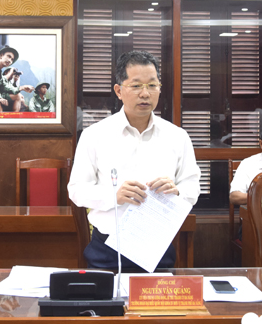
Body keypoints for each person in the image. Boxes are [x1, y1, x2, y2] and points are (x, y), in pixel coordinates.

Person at [68, 50, 201, 271]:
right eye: (136, 85)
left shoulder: (177, 136)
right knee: (107, 305)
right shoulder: (95, 135)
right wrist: (115, 195)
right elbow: (76, 190)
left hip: (158, 247)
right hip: (108, 249)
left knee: (156, 306)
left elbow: (192, 187)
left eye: (152, 85)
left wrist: (176, 191)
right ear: (119, 91)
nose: (145, 93)